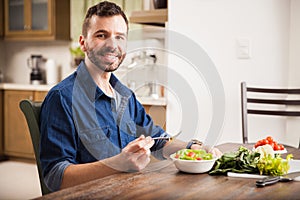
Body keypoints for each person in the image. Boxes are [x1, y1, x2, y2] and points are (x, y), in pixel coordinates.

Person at [40, 1, 222, 192]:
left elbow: (158, 141)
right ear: (83, 42)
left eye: (120, 37)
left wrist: (195, 147)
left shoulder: (125, 96)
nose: (112, 45)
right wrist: (117, 164)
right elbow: (55, 177)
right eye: (101, 35)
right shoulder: (62, 98)